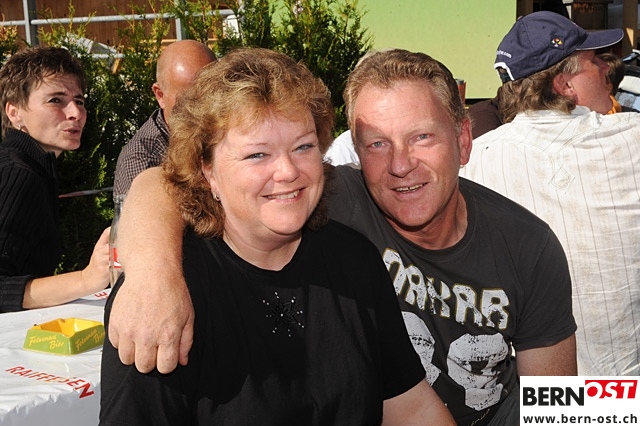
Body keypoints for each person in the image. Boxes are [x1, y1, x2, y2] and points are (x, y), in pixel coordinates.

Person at [107, 48, 578, 426]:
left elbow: (554, 403)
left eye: (422, 137)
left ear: (464, 139)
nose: (400, 165)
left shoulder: (528, 245)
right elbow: (157, 183)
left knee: (610, 410)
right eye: (376, 144)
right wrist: (152, 274)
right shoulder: (342, 203)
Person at [461, 11, 640, 376]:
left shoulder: (475, 159)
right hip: (624, 383)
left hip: (535, 386)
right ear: (564, 84)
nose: (605, 69)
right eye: (593, 60)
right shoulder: (631, 139)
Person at [0, 46, 110, 313]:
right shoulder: (17, 173)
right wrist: (87, 279)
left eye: (79, 101)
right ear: (15, 113)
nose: (75, 113)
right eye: (56, 100)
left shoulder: (31, 168)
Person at [112, 39, 216, 196]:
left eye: (209, 94)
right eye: (187, 98)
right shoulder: (144, 162)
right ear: (160, 95)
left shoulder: (226, 131)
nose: (201, 107)